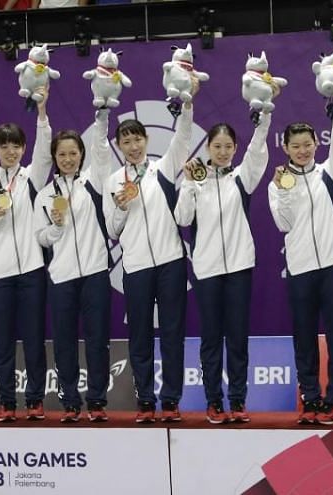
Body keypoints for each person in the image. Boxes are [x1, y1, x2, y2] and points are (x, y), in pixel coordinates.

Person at [102, 86, 196, 424]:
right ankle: (145, 399)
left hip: (171, 262)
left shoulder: (164, 168)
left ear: (145, 140)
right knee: (139, 335)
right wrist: (121, 207)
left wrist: (187, 103)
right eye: (126, 142)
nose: (133, 146)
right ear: (119, 146)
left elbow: (184, 137)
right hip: (137, 267)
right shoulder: (113, 181)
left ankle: (170, 399)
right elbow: (112, 230)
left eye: (137, 139)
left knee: (172, 333)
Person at [174, 112, 271, 424]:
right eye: (217, 146)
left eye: (228, 146)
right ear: (208, 149)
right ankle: (214, 401)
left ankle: (239, 400)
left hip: (240, 267)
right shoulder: (195, 182)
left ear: (234, 148)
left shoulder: (241, 178)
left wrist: (264, 119)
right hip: (207, 271)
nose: (223, 151)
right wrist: (188, 184)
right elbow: (182, 219)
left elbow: (258, 152)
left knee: (238, 336)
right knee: (212, 338)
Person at [268, 96, 333, 426]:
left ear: (317, 143)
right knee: (304, 337)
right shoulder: (277, 184)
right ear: (286, 148)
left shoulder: (330, 172)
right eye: (296, 146)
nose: (302, 150)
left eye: (307, 144)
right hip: (301, 269)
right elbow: (283, 224)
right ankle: (311, 398)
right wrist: (284, 189)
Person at [0, 86, 52, 422]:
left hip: (32, 270)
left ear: (23, 148)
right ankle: (6, 400)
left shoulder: (32, 176)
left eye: (16, 145)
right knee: (3, 341)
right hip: (0, 273)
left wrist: (42, 112)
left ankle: (34, 399)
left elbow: (46, 151)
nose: (11, 151)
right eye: (4, 146)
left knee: (33, 338)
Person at [33, 113, 111, 423]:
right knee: (64, 341)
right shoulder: (44, 195)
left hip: (94, 273)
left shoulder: (93, 181)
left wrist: (102, 113)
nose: (68, 159)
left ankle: (97, 400)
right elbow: (41, 237)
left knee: (97, 339)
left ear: (82, 154)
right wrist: (55, 227)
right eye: (62, 154)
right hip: (62, 277)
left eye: (73, 153)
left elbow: (103, 148)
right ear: (54, 157)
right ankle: (69, 400)